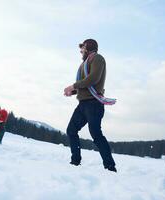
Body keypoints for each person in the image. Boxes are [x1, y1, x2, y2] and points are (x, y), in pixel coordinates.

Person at [64, 39, 117, 172]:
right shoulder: (84, 64)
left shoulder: (98, 59)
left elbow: (93, 79)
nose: (81, 51)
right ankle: (75, 162)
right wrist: (73, 91)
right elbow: (86, 85)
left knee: (96, 134)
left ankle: (110, 167)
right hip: (83, 104)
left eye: (82, 49)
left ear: (87, 48)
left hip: (94, 105)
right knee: (71, 130)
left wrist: (74, 85)